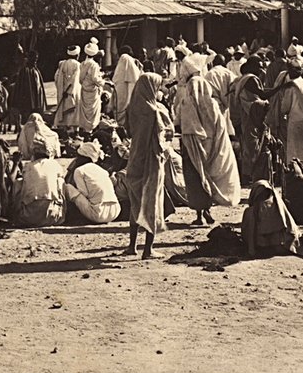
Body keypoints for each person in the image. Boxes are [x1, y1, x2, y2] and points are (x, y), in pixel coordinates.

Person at [177, 53, 240, 225]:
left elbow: (184, 125)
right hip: (209, 147)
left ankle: (201, 214)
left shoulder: (188, 103)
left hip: (193, 147)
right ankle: (206, 211)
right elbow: (220, 129)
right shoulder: (212, 104)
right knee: (206, 177)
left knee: (197, 179)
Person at [124, 72, 169, 259]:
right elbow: (160, 141)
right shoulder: (154, 112)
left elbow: (128, 130)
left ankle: (132, 246)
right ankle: (148, 249)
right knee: (152, 203)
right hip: (151, 162)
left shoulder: (131, 108)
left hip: (134, 159)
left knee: (135, 203)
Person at [64, 142, 120, 225]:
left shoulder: (80, 170)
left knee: (67, 187)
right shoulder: (102, 170)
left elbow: (84, 194)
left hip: (98, 213)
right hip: (115, 211)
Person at [10, 49, 47, 131]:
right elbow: (21, 88)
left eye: (36, 59)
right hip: (28, 102)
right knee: (28, 121)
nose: (35, 61)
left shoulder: (35, 70)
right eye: (34, 59)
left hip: (37, 101)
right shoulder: (24, 71)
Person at [76, 40, 104, 134]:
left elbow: (80, 78)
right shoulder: (94, 65)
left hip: (84, 90)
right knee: (92, 112)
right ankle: (90, 130)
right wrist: (103, 82)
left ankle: (84, 129)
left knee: (85, 111)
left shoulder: (82, 64)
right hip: (92, 91)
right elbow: (95, 78)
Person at [53, 46, 82, 136]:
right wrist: (70, 91)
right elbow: (75, 79)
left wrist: (61, 88)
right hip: (72, 92)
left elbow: (56, 77)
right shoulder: (77, 65)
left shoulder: (62, 64)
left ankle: (65, 131)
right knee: (73, 112)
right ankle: (74, 132)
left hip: (63, 92)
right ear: (77, 55)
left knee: (64, 112)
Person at [111, 46, 141, 129]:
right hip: (124, 88)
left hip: (121, 88)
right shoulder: (131, 61)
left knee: (120, 107)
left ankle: (122, 127)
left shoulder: (125, 58)